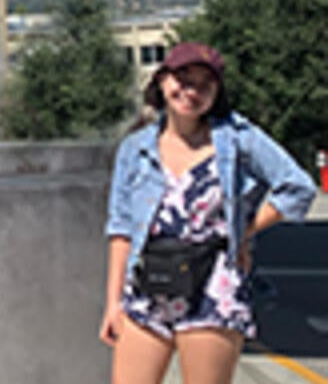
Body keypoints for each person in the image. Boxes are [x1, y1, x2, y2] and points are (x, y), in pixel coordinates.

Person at [100, 42, 316, 383]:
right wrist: (113, 303)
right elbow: (121, 229)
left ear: (216, 93)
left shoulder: (237, 139)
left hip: (213, 287)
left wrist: (243, 231)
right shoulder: (135, 148)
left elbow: (297, 186)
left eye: (205, 84)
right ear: (162, 80)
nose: (191, 91)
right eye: (183, 79)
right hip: (148, 285)